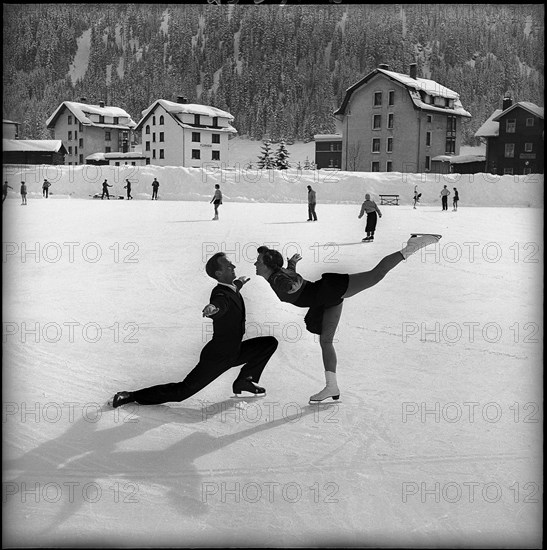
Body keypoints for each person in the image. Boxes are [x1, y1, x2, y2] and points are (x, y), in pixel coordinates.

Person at [254, 233, 441, 403]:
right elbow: (289, 277)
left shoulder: (277, 279)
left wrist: (292, 285)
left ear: (268, 266)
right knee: (326, 342)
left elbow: (289, 283)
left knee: (375, 274)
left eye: (259, 261)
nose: (255, 264)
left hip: (329, 290)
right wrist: (292, 265)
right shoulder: (278, 275)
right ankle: (331, 386)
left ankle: (412, 246)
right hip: (325, 299)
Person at [110, 252, 279, 408]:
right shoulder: (220, 294)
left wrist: (239, 282)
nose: (234, 267)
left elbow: (234, 289)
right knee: (182, 392)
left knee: (269, 343)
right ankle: (131, 395)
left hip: (234, 351)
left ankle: (244, 380)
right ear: (219, 274)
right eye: (229, 266)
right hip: (218, 356)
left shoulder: (230, 287)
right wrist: (214, 308)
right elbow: (221, 303)